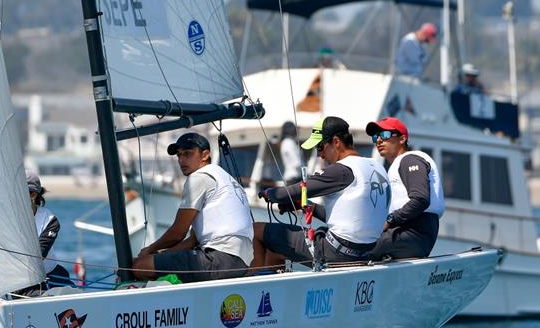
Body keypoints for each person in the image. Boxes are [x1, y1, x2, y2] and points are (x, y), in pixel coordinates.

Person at [251, 116, 390, 268]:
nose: (319, 155)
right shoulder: (377, 167)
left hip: (333, 253)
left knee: (256, 230)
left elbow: (286, 194)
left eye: (320, 147)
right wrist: (309, 207)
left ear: (336, 142)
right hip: (364, 252)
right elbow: (353, 219)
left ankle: (252, 288)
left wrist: (268, 193)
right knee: (276, 249)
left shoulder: (342, 170)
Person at [131, 132, 253, 283]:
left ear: (205, 155)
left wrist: (148, 250)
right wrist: (162, 254)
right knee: (155, 261)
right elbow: (192, 241)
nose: (182, 160)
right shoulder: (225, 177)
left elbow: (178, 233)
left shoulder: (199, 177)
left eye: (188, 154)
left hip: (219, 259)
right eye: (179, 155)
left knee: (139, 266)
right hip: (239, 263)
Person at [365, 117, 444, 260]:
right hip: (405, 231)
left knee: (359, 247)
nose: (378, 140)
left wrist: (389, 220)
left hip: (416, 232)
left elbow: (421, 199)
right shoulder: (395, 167)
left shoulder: (410, 159)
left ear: (402, 139)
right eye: (376, 136)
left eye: (385, 135)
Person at [25, 170, 71, 285]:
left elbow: (39, 254)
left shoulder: (50, 220)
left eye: (18, 192)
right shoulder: (5, 216)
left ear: (33, 195)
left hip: (49, 274)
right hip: (18, 280)